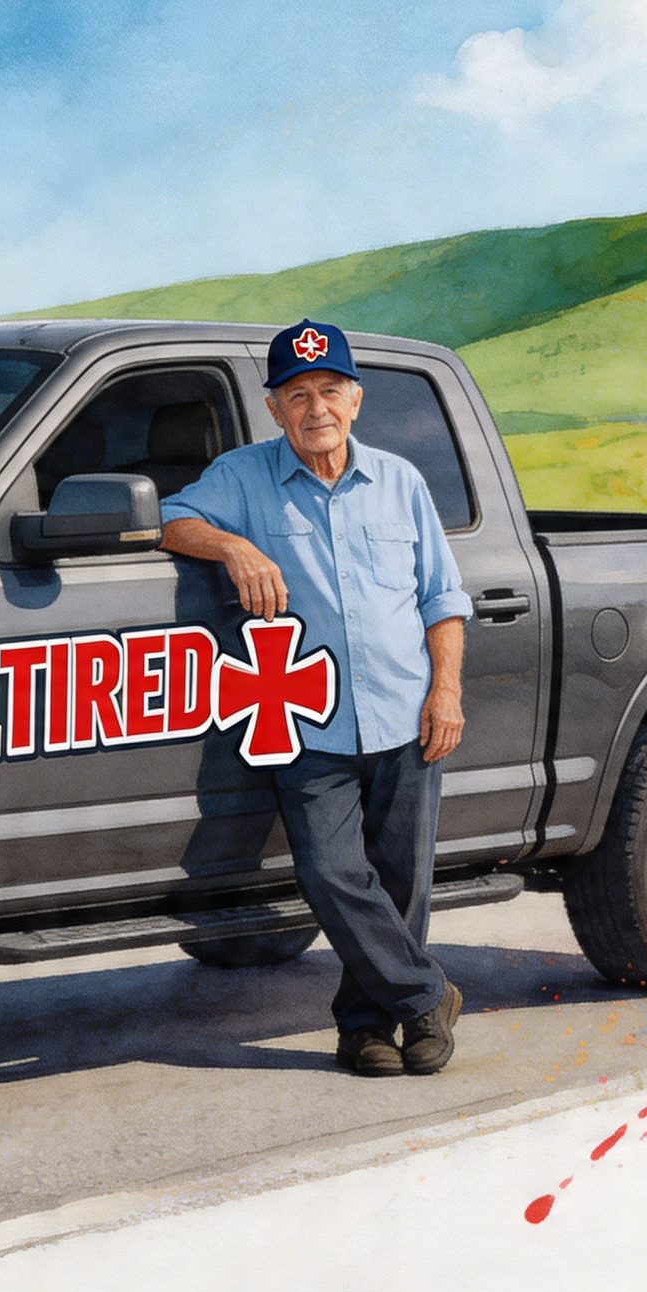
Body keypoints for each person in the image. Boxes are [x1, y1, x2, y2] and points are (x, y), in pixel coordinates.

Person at [157, 319, 473, 1076]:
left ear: (356, 399)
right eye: (297, 395)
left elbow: (441, 597)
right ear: (274, 409)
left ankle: (370, 1028)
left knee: (401, 884)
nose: (315, 408)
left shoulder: (400, 481)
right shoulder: (241, 476)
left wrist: (447, 692)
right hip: (308, 720)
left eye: (329, 390)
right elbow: (172, 520)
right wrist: (233, 545)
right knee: (331, 874)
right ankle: (428, 994)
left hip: (405, 708)